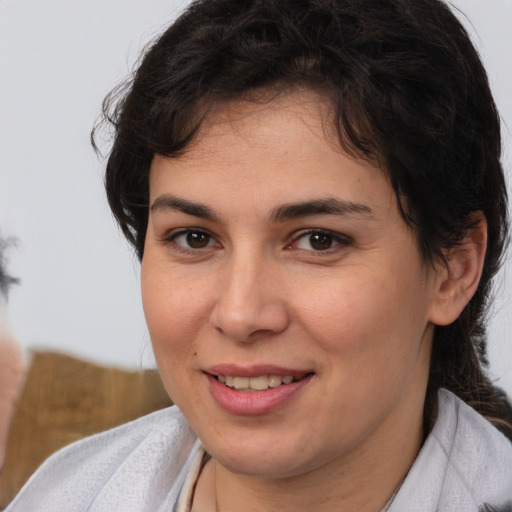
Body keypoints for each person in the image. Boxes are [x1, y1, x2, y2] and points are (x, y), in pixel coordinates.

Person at [6, 0, 512, 510]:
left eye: (319, 240)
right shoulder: (62, 497)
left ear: (454, 268)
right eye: (194, 238)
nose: (241, 314)